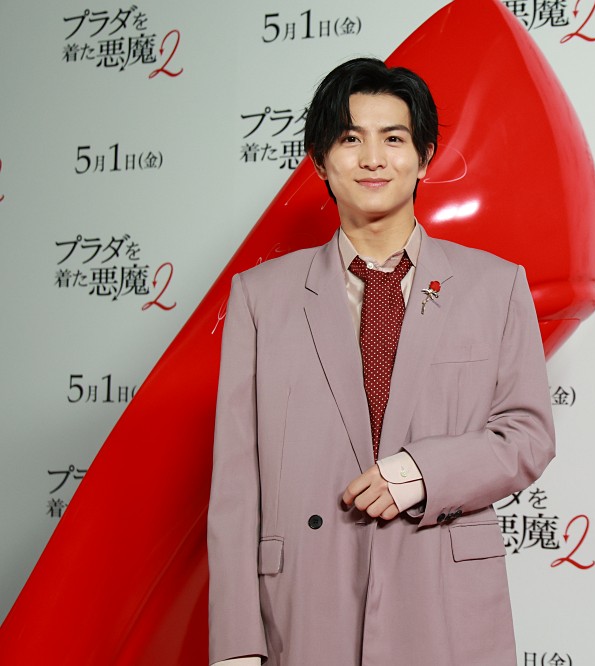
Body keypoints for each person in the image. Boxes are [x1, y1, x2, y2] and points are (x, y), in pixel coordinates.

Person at [207, 57, 555, 666]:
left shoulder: (495, 286)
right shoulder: (260, 297)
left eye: (393, 139)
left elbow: (528, 435)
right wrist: (236, 645)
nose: (373, 159)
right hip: (305, 602)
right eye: (350, 139)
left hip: (443, 598)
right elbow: (236, 483)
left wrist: (424, 471)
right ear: (320, 161)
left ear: (424, 157)